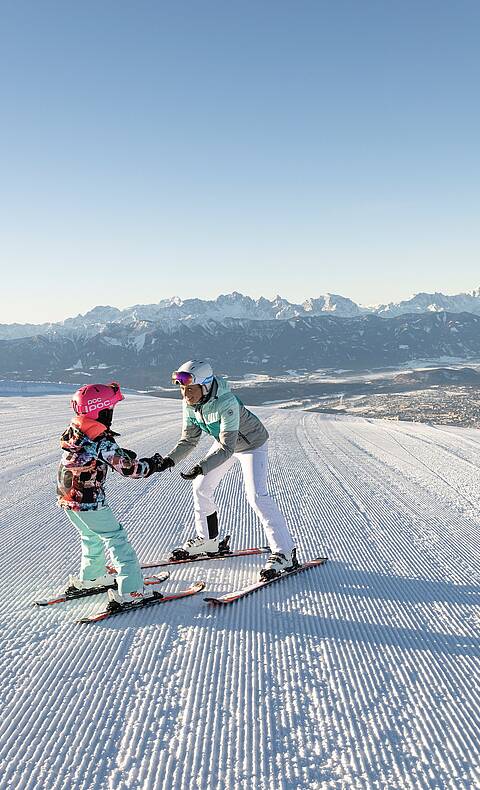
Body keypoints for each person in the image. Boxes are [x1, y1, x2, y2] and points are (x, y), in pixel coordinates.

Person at [156, 360, 297, 579]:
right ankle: (209, 541)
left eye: (190, 389)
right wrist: (168, 461)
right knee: (201, 488)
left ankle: (285, 552)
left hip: (251, 445)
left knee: (257, 496)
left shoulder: (226, 401)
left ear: (204, 385)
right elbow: (189, 440)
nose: (185, 394)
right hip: (224, 442)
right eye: (182, 388)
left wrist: (201, 466)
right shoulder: (190, 403)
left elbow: (227, 448)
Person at [57, 381, 164, 610]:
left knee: (91, 536)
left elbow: (94, 453)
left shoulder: (76, 430)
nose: (112, 414)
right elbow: (129, 469)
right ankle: (132, 591)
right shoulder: (101, 439)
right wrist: (151, 465)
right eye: (111, 410)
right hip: (89, 500)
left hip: (68, 498)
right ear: (102, 410)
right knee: (116, 539)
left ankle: (92, 577)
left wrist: (121, 453)